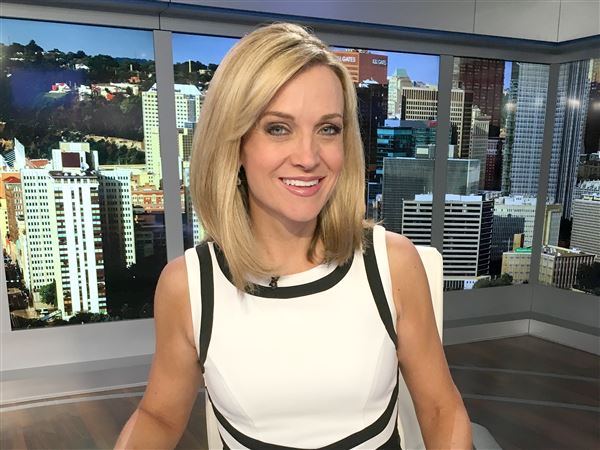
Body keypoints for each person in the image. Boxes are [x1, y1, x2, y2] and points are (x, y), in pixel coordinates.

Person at [116, 23, 471, 449]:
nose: (308, 157)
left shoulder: (393, 264)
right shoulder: (187, 286)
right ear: (236, 143)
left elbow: (441, 408)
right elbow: (158, 416)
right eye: (278, 128)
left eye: (328, 129)